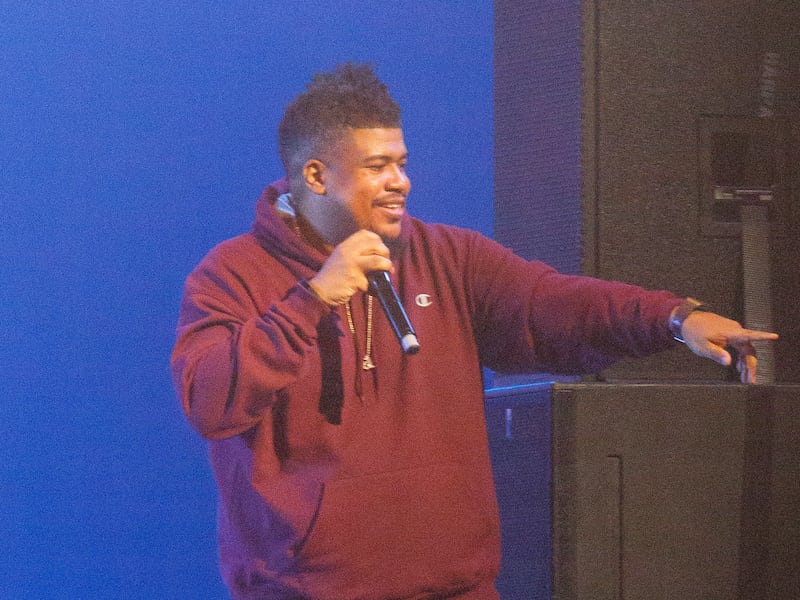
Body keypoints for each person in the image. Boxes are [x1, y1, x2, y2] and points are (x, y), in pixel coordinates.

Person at [170, 63, 778, 600]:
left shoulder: (446, 258)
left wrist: (674, 318)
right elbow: (208, 400)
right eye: (377, 167)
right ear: (316, 176)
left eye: (402, 164)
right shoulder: (232, 274)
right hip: (307, 590)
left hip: (457, 586)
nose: (400, 181)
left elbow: (554, 303)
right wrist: (312, 299)